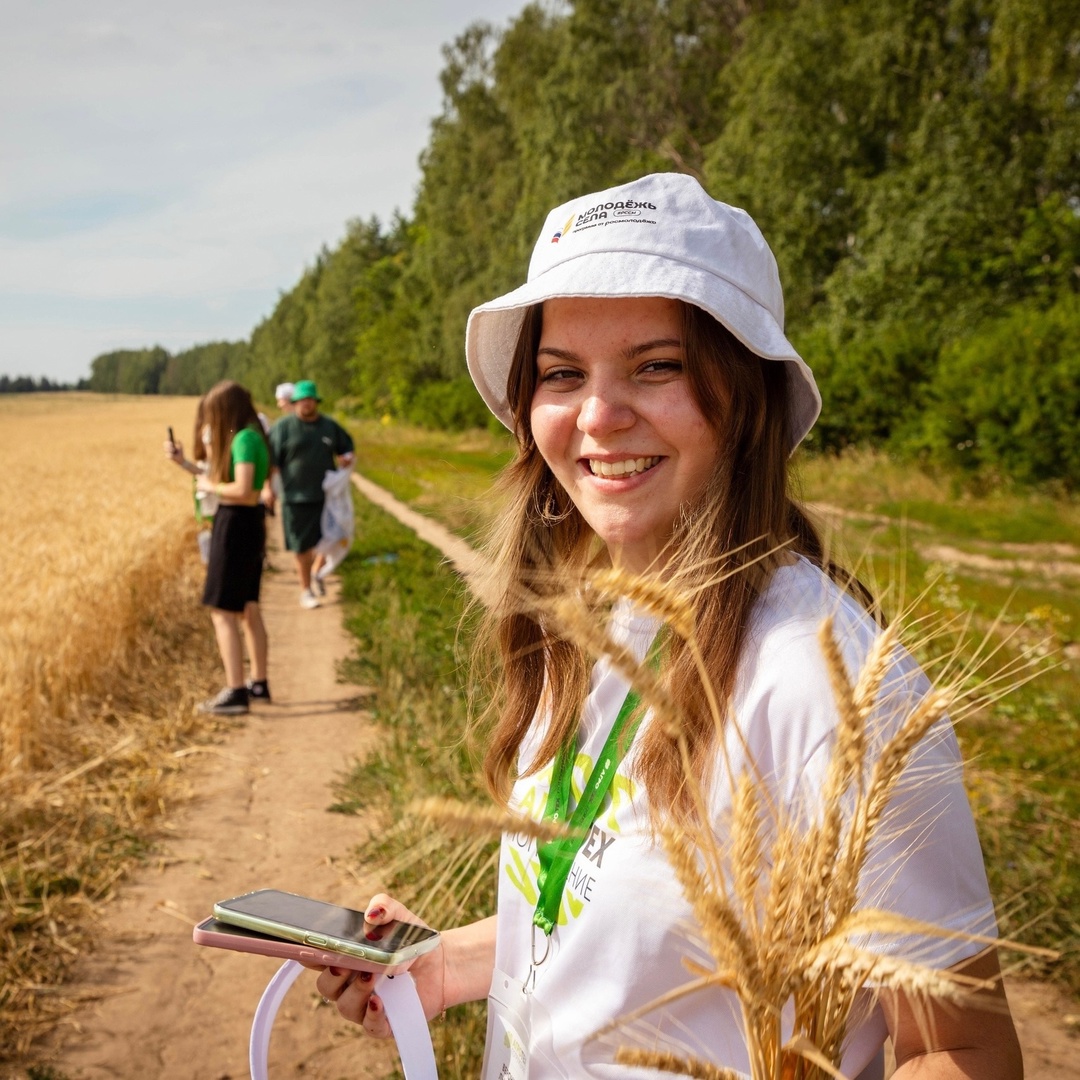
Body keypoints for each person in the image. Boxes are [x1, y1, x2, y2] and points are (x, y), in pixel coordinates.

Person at [312, 174, 1022, 1078]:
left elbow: (961, 1049)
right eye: (562, 374)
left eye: (657, 366)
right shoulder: (588, 632)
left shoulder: (827, 689)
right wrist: (440, 964)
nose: (600, 416)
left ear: (746, 396)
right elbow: (613, 911)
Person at [166, 380, 273, 713]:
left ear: (226, 410)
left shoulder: (242, 439)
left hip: (235, 525)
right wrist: (186, 464)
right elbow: (226, 481)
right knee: (248, 607)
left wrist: (209, 484)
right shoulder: (252, 437)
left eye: (213, 413)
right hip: (249, 524)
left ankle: (235, 691)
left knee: (221, 611)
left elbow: (242, 490)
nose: (209, 422)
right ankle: (259, 683)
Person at [268, 379, 355, 609]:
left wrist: (346, 457)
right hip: (294, 498)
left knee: (327, 541)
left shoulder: (328, 427)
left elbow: (346, 446)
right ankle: (305, 590)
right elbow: (272, 463)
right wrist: (269, 489)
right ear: (294, 403)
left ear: (316, 402)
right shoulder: (282, 428)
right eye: (301, 400)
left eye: (309, 400)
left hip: (326, 497)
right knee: (301, 547)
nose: (305, 404)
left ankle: (317, 573)